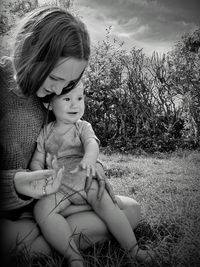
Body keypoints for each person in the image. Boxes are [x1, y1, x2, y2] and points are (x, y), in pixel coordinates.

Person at [0, 4, 141, 263]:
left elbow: (69, 137)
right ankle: (43, 241)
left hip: (50, 203)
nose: (59, 90)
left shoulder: (49, 96)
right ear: (31, 52)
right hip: (13, 213)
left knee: (131, 209)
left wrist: (91, 163)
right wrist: (16, 183)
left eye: (68, 83)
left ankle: (41, 242)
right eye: (55, 77)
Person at [30, 81, 152, 266]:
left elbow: (91, 144)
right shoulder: (46, 132)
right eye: (67, 99)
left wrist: (89, 158)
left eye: (80, 98)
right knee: (42, 211)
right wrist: (39, 173)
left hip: (86, 181)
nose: (75, 104)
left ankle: (133, 249)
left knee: (108, 205)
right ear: (49, 104)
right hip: (59, 187)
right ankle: (73, 256)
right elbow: (37, 159)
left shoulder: (82, 127)